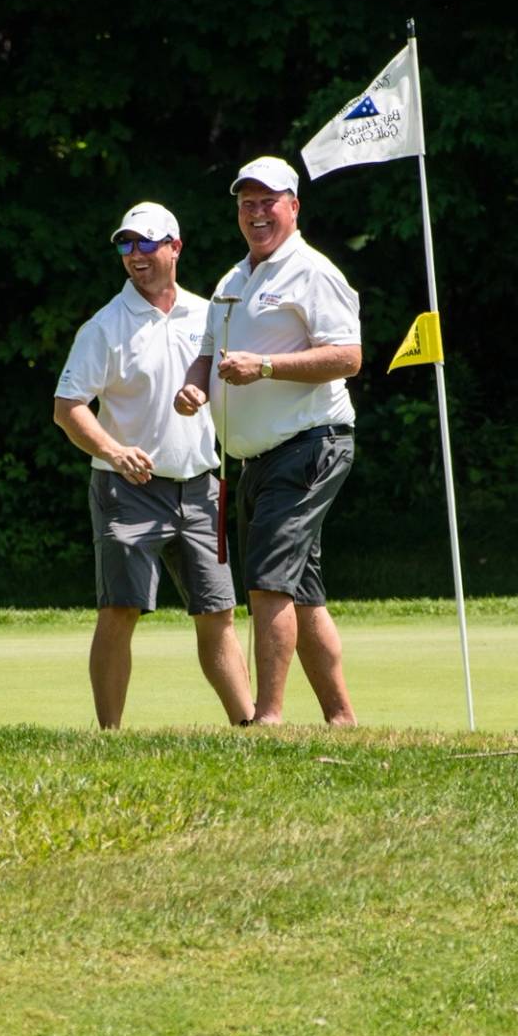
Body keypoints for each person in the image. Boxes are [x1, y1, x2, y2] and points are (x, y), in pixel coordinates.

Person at [53, 201, 255, 730]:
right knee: (120, 610)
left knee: (219, 614)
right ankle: (111, 737)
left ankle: (249, 728)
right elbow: (68, 407)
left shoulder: (207, 313)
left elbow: (227, 378)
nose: (135, 255)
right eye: (126, 245)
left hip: (201, 487)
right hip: (128, 489)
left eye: (146, 243)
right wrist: (113, 451)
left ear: (175, 246)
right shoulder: (105, 327)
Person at [174, 156, 361, 726]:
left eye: (268, 202)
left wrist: (267, 367)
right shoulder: (233, 279)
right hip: (254, 458)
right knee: (301, 591)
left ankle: (269, 720)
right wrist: (193, 388)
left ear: (293, 207)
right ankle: (342, 719)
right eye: (247, 204)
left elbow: (347, 357)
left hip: (309, 444)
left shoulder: (313, 272)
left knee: (267, 581)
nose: (257, 213)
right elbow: (207, 353)